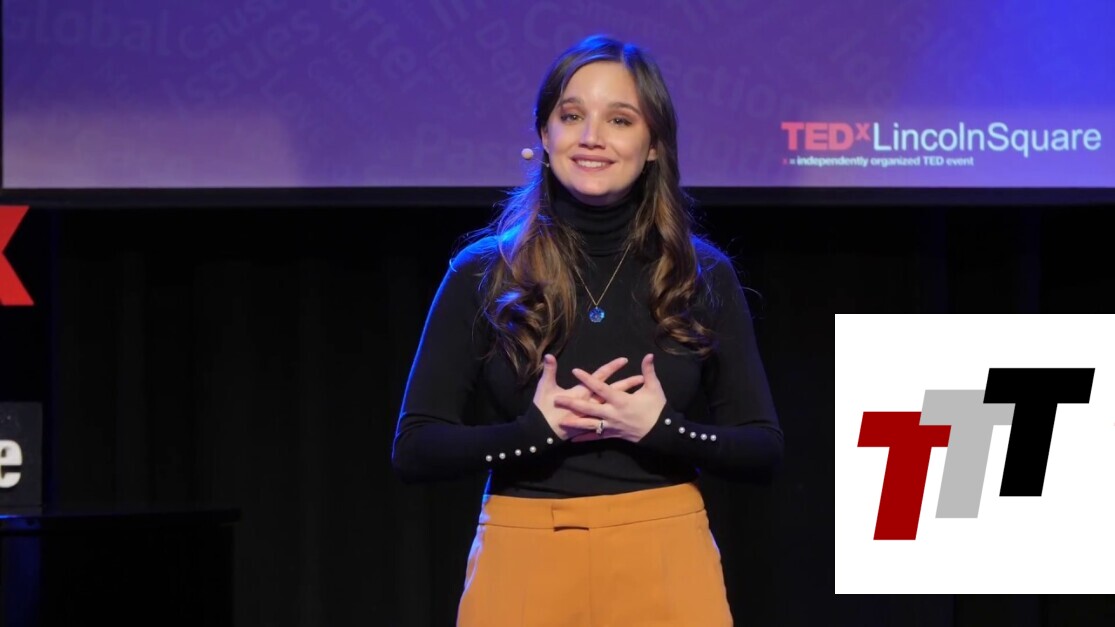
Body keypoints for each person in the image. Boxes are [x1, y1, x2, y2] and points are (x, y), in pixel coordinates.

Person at [392, 34, 783, 626]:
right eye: (572, 116)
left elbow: (763, 449)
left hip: (665, 551)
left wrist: (662, 430)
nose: (591, 136)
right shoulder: (485, 272)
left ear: (653, 145)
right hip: (524, 554)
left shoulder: (700, 274)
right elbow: (415, 447)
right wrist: (533, 434)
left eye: (619, 119)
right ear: (544, 136)